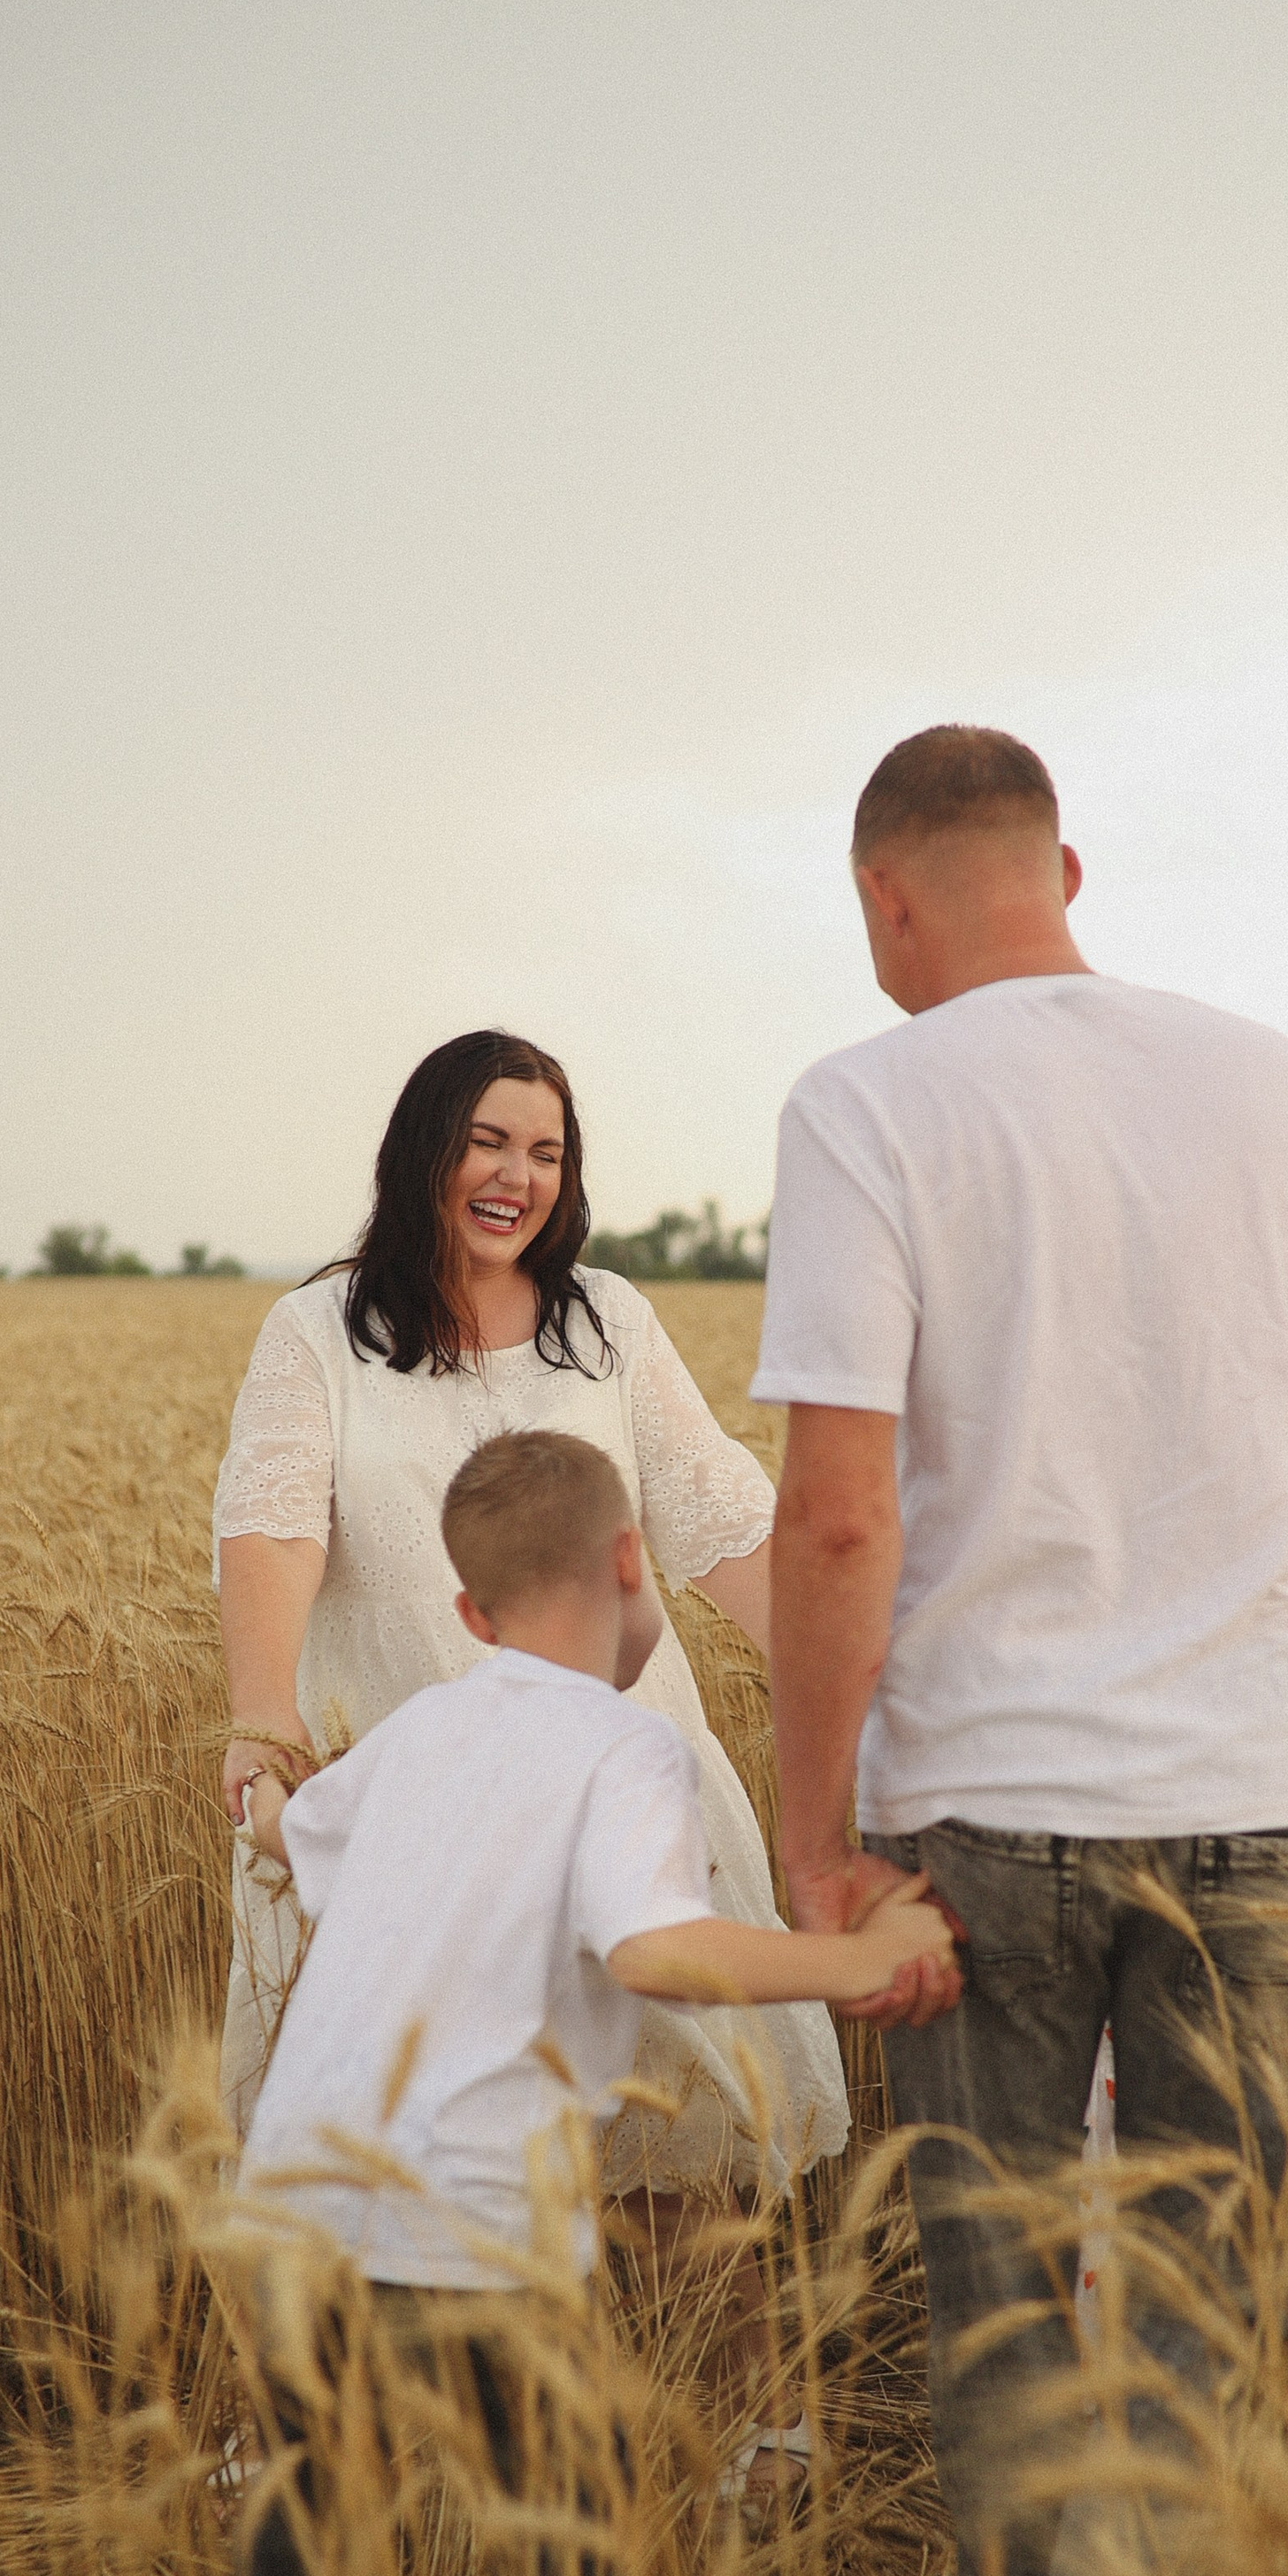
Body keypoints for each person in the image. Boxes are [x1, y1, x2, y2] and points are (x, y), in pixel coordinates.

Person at [753, 725, 1288, 2576]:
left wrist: (816, 1843)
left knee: (1005, 2316)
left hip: (991, 1805)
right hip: (1266, 1787)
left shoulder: (870, 1102)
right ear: (1065, 869)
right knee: (1194, 2315)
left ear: (882, 898)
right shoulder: (1268, 1076)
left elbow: (835, 1510)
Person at [227, 1430, 953, 2576]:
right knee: (560, 2545)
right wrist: (849, 1966)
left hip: (299, 2197)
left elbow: (296, 1838)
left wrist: (262, 1789)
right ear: (637, 1571)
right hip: (475, 2224)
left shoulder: (419, 1730)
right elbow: (653, 1949)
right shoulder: (633, 1750)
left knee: (315, 2485)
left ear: (473, 1620)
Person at [212, 1028, 852, 2500]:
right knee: (384, 2120)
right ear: (427, 1149)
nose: (517, 1176)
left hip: (625, 1775)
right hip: (409, 1784)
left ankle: (760, 2437)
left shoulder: (606, 1322)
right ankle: (342, 2456)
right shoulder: (321, 1333)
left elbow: (714, 1526)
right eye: (490, 1142)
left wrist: (862, 1693)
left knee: (685, 2127)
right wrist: (263, 1724)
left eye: (547, 1151)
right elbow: (272, 1522)